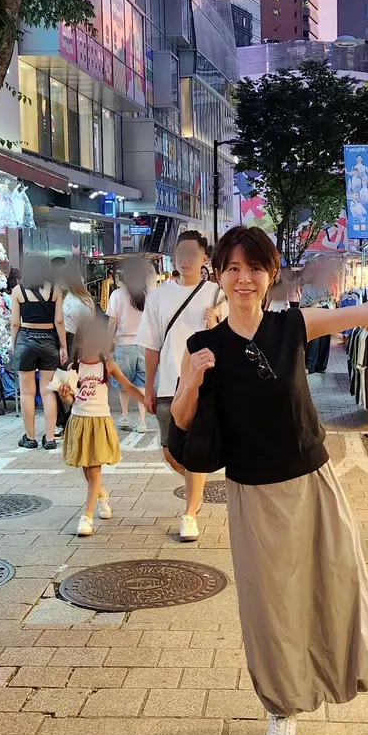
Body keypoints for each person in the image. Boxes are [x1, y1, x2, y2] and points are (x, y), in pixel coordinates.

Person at [172, 227, 368, 735]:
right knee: (271, 605)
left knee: (345, 581)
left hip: (312, 480)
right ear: (219, 274)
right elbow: (181, 420)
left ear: (271, 275)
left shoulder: (291, 326)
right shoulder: (203, 346)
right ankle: (282, 710)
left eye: (254, 268)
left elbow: (365, 314)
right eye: (233, 268)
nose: (244, 278)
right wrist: (192, 380)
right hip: (252, 493)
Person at [137, 229, 224, 541]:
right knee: (170, 451)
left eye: (191, 254)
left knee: (193, 449)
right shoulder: (158, 296)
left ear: (204, 259)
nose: (185, 260)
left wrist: (215, 323)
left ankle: (190, 513)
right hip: (167, 383)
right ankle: (196, 487)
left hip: (201, 384)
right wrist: (148, 387)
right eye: (180, 254)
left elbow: (231, 339)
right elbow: (151, 346)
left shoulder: (216, 294)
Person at [60, 318, 145, 537]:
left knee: (94, 469)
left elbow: (128, 386)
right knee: (86, 468)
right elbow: (71, 401)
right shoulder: (73, 368)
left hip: (99, 422)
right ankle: (101, 495)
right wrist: (65, 395)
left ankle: (87, 516)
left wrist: (147, 401)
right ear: (81, 343)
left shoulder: (107, 366)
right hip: (79, 422)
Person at [9, 252, 68, 450]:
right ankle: (50, 438)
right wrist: (63, 346)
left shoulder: (18, 291)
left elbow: (15, 322)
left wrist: (14, 344)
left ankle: (30, 437)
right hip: (49, 341)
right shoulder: (55, 290)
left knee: (27, 392)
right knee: (48, 391)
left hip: (25, 340)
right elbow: (59, 321)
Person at [106, 257, 150, 430]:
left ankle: (124, 417)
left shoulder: (117, 295)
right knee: (142, 384)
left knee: (123, 383)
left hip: (123, 344)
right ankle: (142, 421)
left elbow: (112, 322)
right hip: (145, 344)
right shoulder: (149, 294)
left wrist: (108, 344)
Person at [301, 258, 335, 374]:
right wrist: (319, 299)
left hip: (325, 314)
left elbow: (330, 297)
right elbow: (304, 304)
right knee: (313, 342)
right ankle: (310, 366)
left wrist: (328, 299)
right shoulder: (307, 287)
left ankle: (321, 366)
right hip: (313, 314)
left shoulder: (324, 285)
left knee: (325, 341)